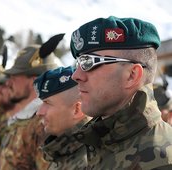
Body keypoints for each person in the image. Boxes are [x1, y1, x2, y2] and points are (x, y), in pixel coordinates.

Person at [70, 16, 172, 169]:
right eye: (78, 63)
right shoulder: (100, 142)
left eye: (88, 62)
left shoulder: (163, 161)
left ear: (132, 75)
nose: (75, 75)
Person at [0, 33, 65, 170]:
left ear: (34, 81)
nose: (8, 83)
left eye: (14, 77)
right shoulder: (24, 120)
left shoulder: (45, 124)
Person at [34, 66, 89, 169]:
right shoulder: (59, 152)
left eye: (47, 103)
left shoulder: (90, 160)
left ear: (77, 110)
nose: (39, 112)